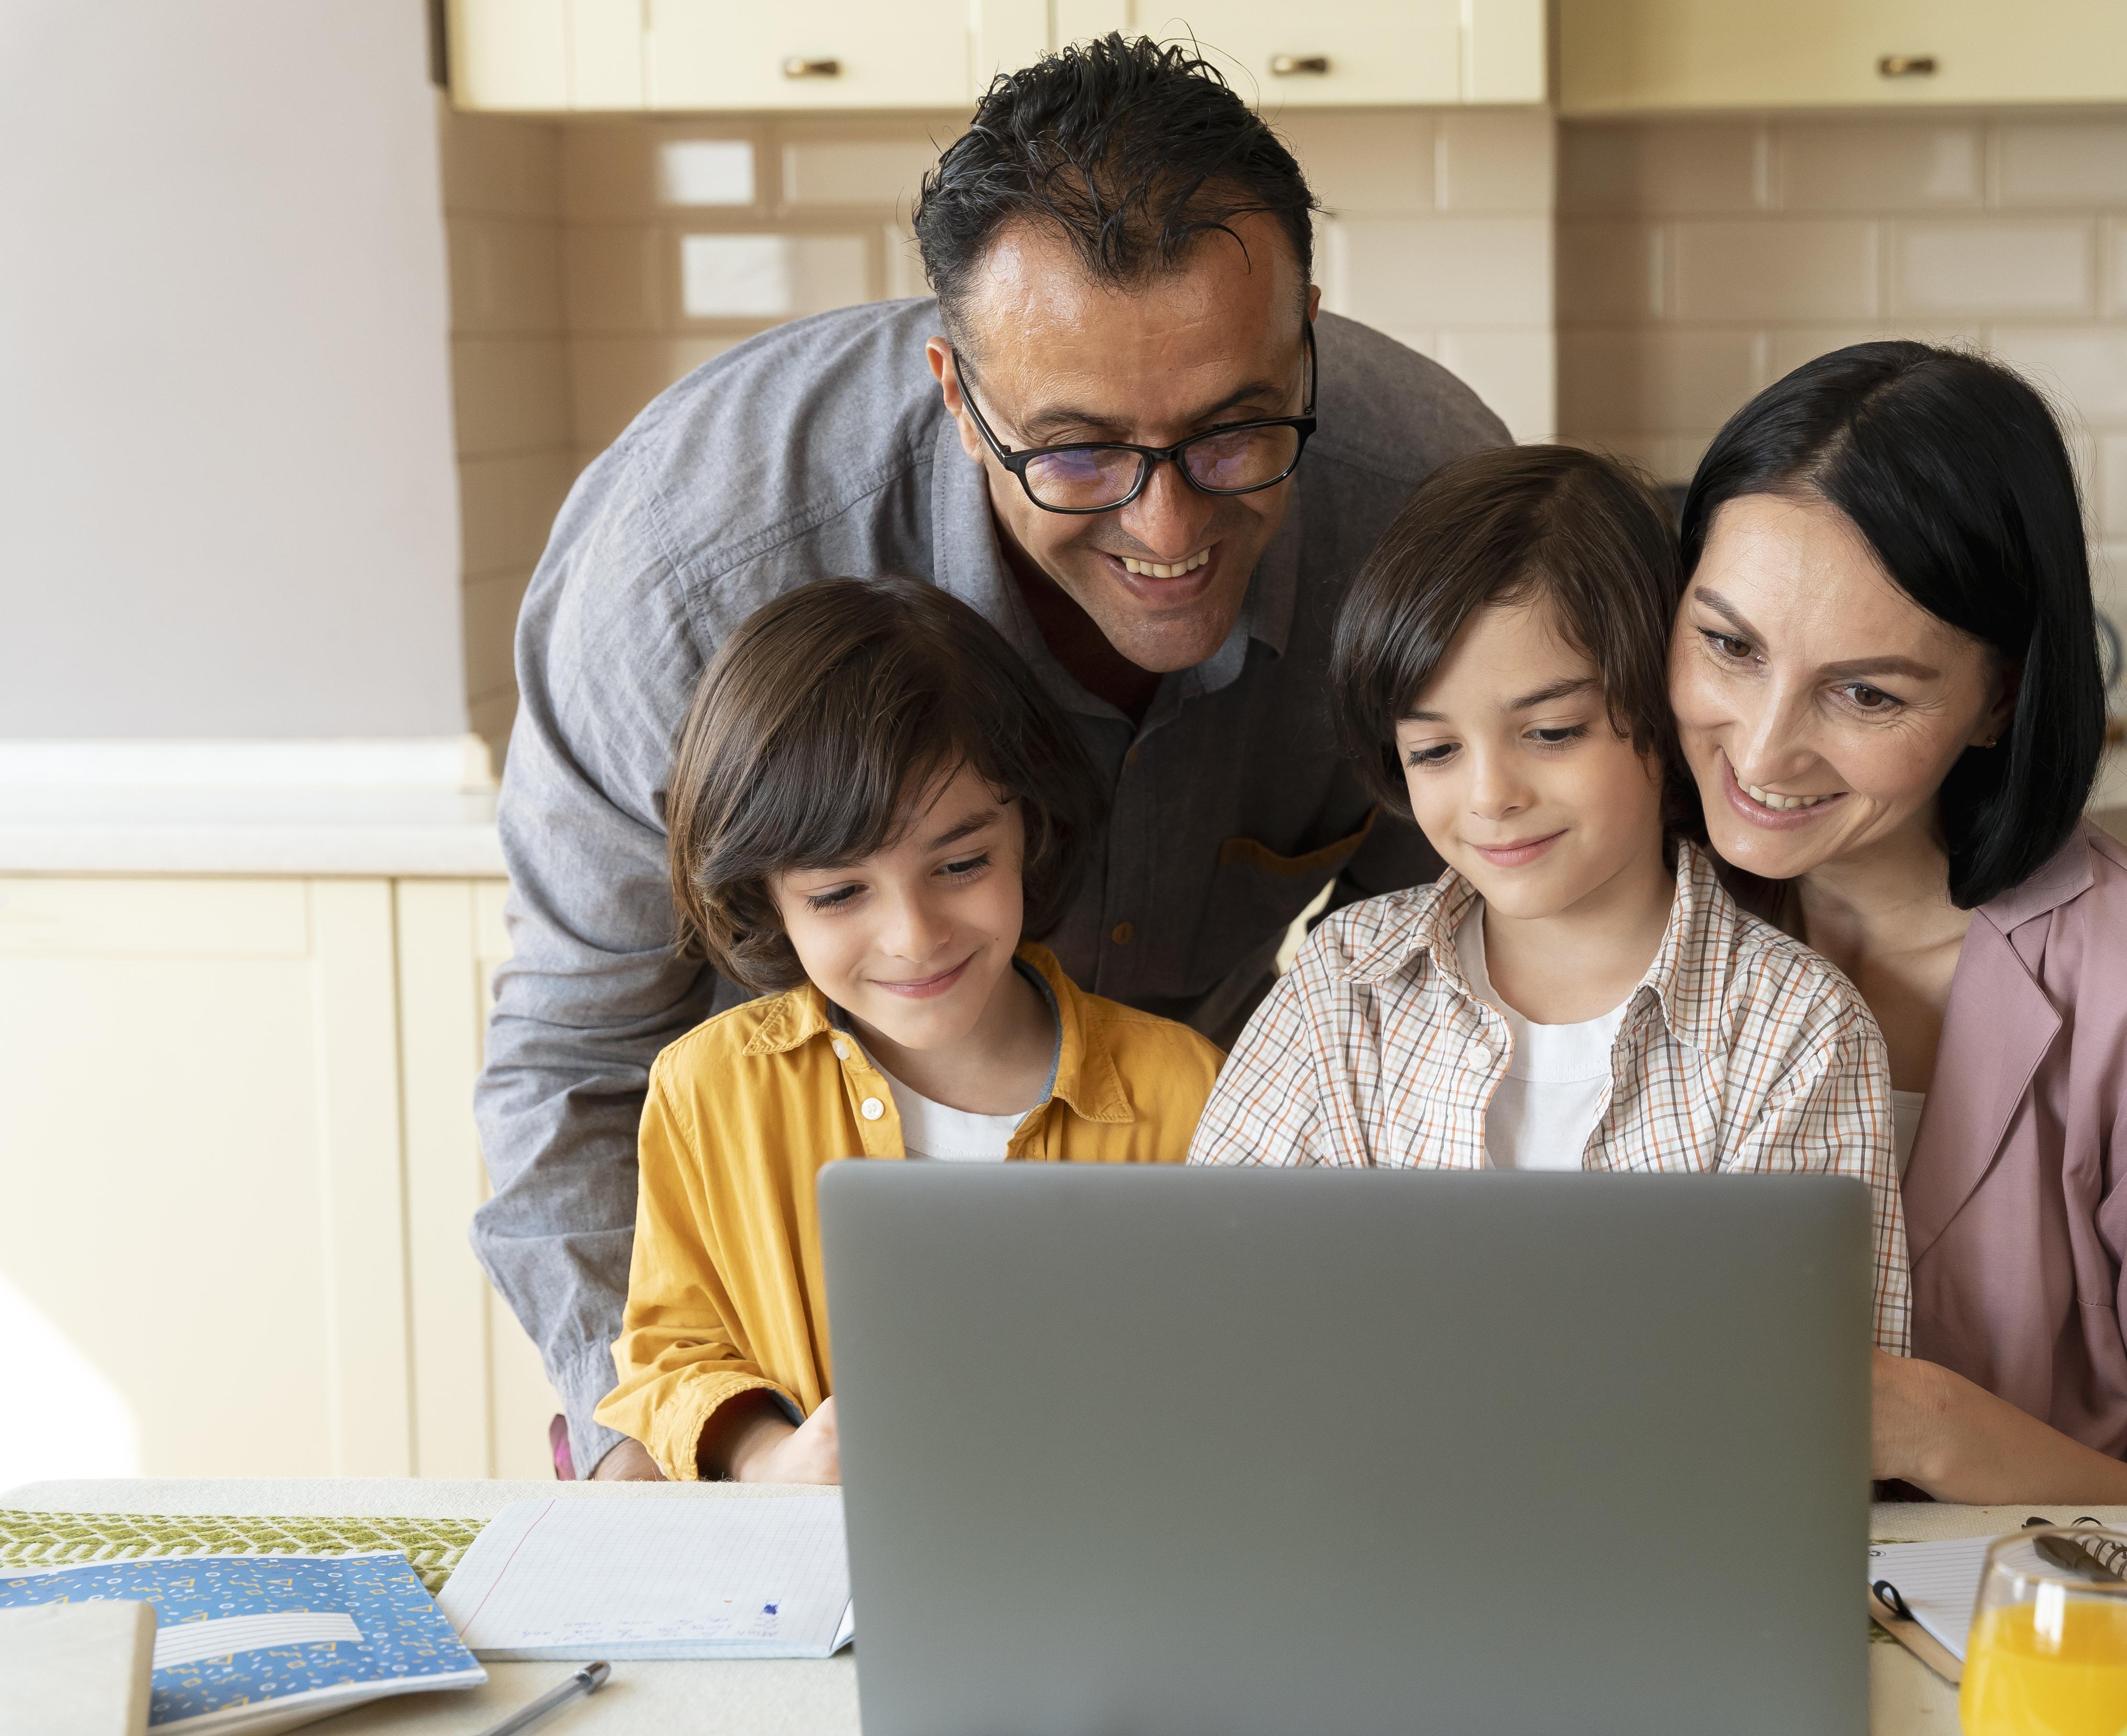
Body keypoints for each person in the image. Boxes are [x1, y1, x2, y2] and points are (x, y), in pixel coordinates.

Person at [476, 36, 1507, 1477]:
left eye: (1231, 436)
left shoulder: (1428, 523)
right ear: (958, 394)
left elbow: (1456, 984)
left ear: (1308, 343)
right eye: (1079, 454)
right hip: (789, 1375)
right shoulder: (684, 570)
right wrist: (678, 1458)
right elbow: (573, 1063)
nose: (1166, 532)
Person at [1668, 341, 2127, 1512]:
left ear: (1998, 699)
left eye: (1868, 693)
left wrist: (1931, 1426)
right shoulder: (1614, 918)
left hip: (2026, 1649)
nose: (1764, 748)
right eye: (1729, 646)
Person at [1190, 445, 1912, 1357]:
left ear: (1667, 701)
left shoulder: (1794, 1030)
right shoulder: (1342, 988)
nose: (1492, 795)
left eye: (1552, 731)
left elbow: (1820, 1403)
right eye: (1436, 751)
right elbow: (1211, 1309)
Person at [596, 577, 1222, 1484]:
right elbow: (673, 1357)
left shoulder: (1189, 1090)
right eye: (840, 892)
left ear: (1031, 830)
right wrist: (773, 1458)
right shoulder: (710, 1091)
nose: (914, 936)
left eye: (961, 863)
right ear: (765, 895)